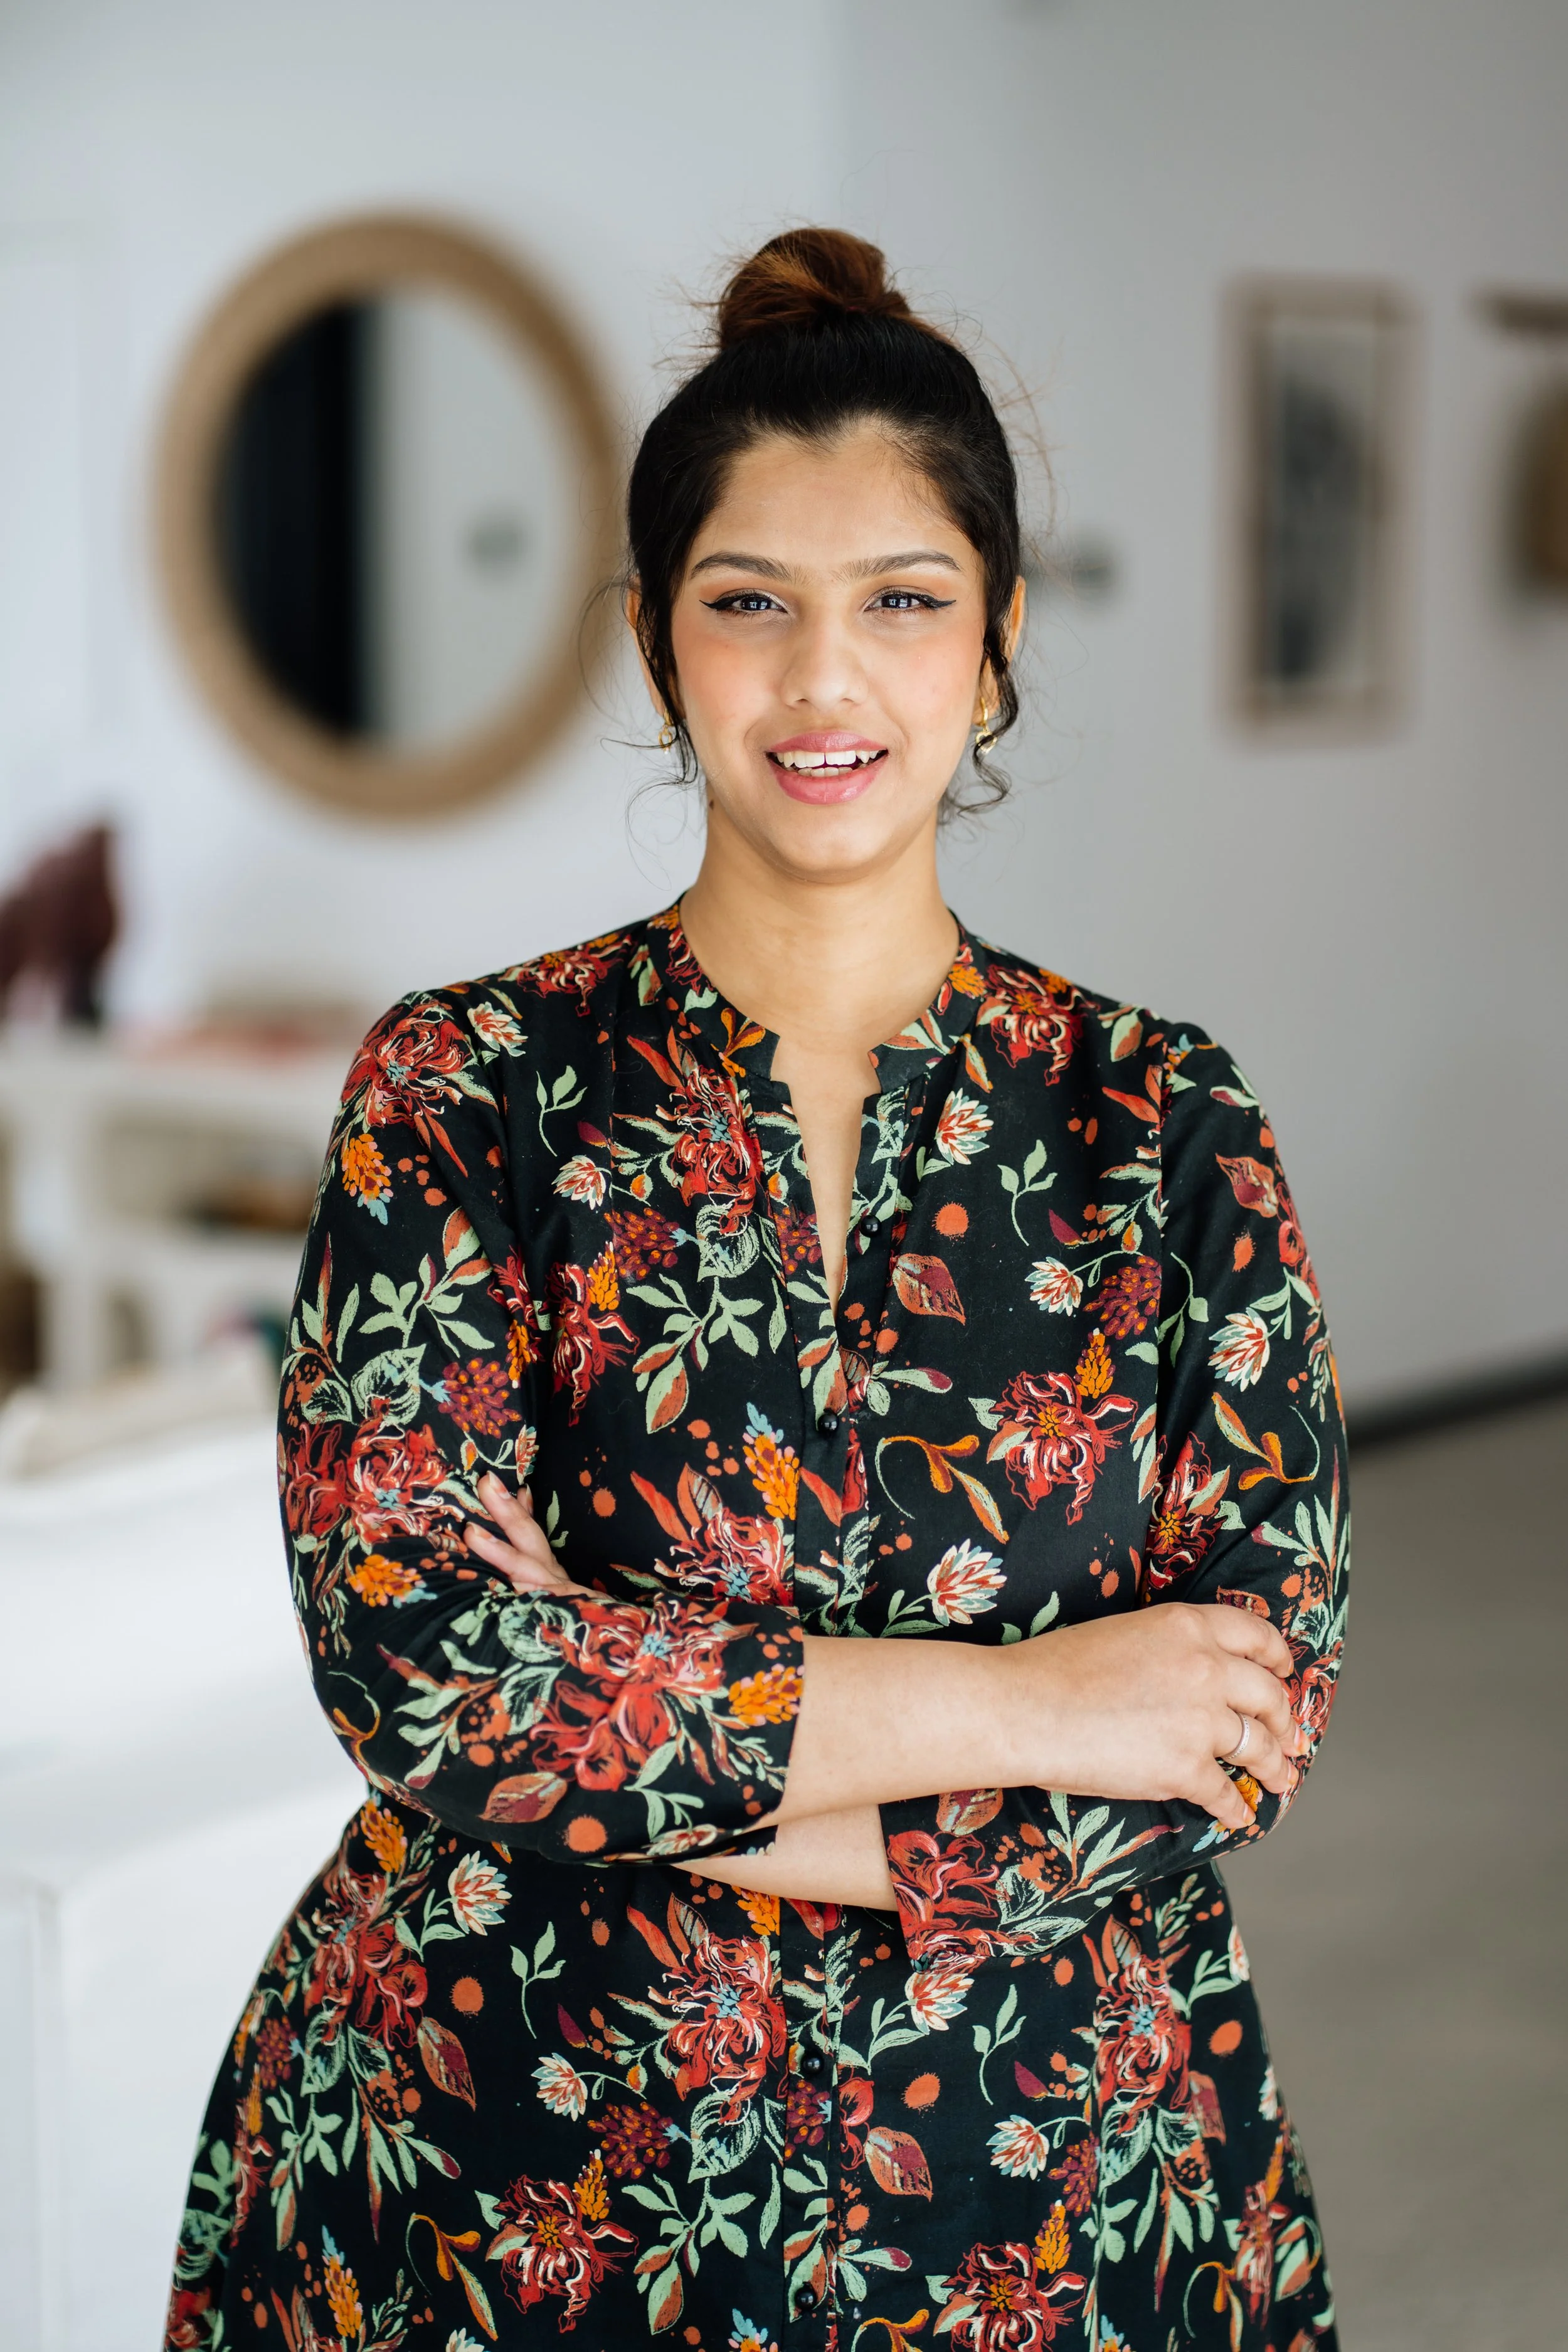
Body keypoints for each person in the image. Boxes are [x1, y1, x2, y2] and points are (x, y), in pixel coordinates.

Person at [167, 228, 1347, 2352]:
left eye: (901, 602)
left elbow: (1239, 1725)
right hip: (503, 2159)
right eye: (749, 606)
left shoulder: (1161, 1119)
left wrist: (615, 1706)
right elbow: (426, 1676)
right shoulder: (462, 1086)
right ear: (654, 647)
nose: (825, 682)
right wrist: (1037, 1698)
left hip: (1055, 2180)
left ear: (991, 647)